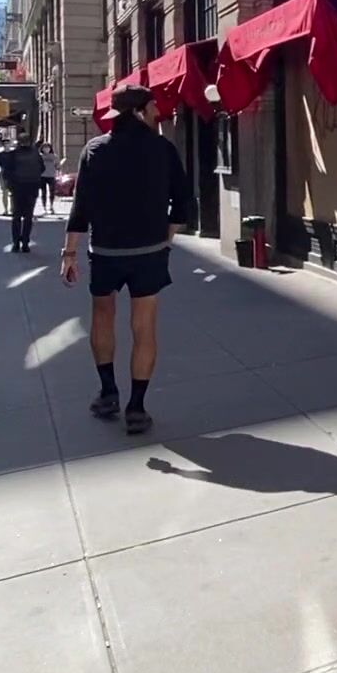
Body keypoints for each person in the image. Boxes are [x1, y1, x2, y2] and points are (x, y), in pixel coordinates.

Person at [60, 84, 193, 435]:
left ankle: (108, 393)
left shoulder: (95, 149)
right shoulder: (162, 149)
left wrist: (69, 252)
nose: (157, 113)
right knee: (143, 326)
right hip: (148, 252)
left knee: (102, 317)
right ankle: (136, 407)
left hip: (105, 251)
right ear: (141, 110)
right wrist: (166, 238)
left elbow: (80, 208)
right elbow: (183, 203)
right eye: (153, 107)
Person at [0, 134, 45, 253]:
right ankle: (25, 243)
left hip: (17, 189)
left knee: (16, 216)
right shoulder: (35, 154)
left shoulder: (13, 155)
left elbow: (6, 172)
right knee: (28, 217)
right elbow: (42, 168)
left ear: (18, 142)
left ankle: (16, 243)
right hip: (32, 188)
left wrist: (10, 185)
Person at [38, 141, 59, 213]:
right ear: (42, 149)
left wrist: (58, 169)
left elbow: (57, 165)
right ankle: (44, 207)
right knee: (43, 192)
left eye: (48, 148)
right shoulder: (40, 156)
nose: (46, 149)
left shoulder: (54, 156)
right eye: (45, 148)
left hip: (51, 175)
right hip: (42, 176)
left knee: (52, 191)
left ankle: (51, 206)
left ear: (50, 149)